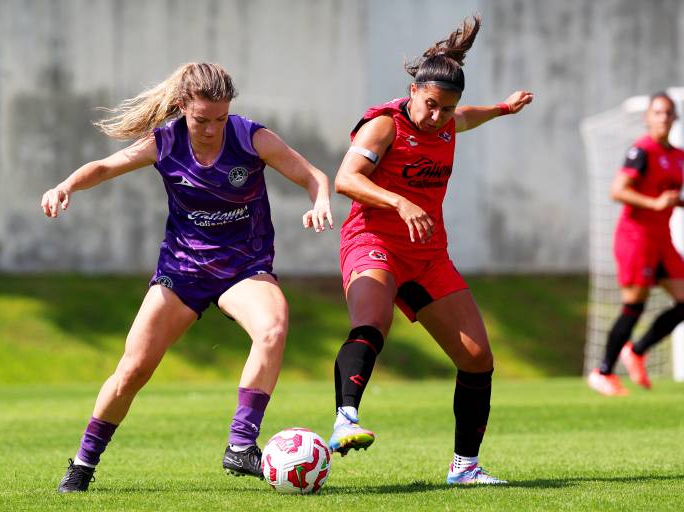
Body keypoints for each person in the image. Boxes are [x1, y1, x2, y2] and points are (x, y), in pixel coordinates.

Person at [41, 62, 333, 492]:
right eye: (201, 119)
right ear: (183, 107)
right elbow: (104, 167)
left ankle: (240, 444)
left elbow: (313, 176)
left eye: (220, 118)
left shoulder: (250, 136)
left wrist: (321, 200)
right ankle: (83, 464)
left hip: (243, 267)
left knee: (272, 329)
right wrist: (65, 185)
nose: (212, 128)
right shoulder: (165, 141)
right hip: (182, 271)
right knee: (133, 369)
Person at [325, 15, 533, 485]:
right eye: (432, 105)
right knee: (373, 321)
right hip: (373, 242)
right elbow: (345, 180)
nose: (437, 116)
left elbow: (468, 118)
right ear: (414, 91)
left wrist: (503, 108)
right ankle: (345, 419)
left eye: (447, 109)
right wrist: (399, 201)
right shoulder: (384, 126)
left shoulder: (447, 122)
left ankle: (465, 468)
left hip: (428, 255)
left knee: (478, 358)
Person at [588, 92, 684, 396]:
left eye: (668, 113)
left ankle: (638, 350)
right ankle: (602, 371)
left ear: (675, 118)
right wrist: (655, 203)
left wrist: (673, 202)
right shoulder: (640, 151)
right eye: (658, 112)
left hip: (662, 239)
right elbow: (617, 191)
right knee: (635, 305)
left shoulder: (679, 156)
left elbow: (667, 193)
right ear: (648, 118)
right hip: (636, 237)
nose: (664, 118)